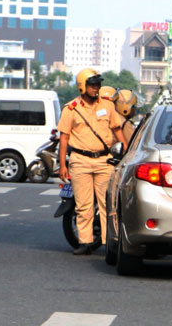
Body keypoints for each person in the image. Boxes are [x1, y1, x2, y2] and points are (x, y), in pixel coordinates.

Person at [57, 68, 127, 255]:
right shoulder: (71, 109)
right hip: (80, 161)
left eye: (98, 85)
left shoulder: (108, 106)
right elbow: (63, 138)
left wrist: (126, 150)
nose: (96, 88)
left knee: (107, 204)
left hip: (104, 160)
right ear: (82, 86)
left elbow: (117, 129)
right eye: (92, 85)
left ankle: (108, 242)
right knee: (84, 205)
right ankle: (85, 242)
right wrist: (62, 165)